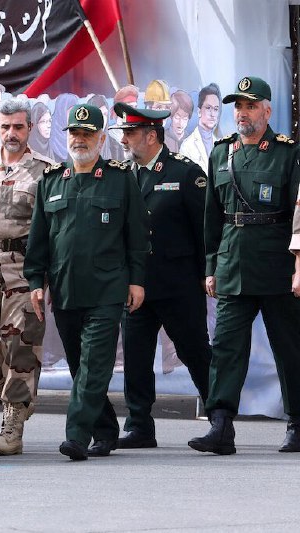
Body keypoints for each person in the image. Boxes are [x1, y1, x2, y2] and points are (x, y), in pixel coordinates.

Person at [23, 104, 149, 461]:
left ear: (101, 137)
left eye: (87, 133)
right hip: (65, 291)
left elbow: (137, 236)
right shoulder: (51, 181)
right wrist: (36, 281)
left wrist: (137, 281)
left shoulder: (120, 178)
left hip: (107, 290)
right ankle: (106, 429)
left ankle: (76, 435)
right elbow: (39, 241)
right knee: (81, 367)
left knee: (94, 364)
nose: (80, 139)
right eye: (75, 133)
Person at [190, 76, 300, 455]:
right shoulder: (222, 153)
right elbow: (212, 217)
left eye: (250, 106)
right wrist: (210, 265)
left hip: (276, 264)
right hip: (233, 263)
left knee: (289, 348)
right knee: (225, 348)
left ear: (267, 111)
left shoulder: (288, 153)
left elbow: (297, 216)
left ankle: (298, 423)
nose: (242, 113)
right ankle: (220, 425)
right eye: (238, 106)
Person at [112, 102, 211, 449]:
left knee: (195, 351)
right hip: (137, 285)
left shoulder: (185, 172)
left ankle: (220, 419)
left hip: (178, 283)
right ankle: (139, 426)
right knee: (136, 357)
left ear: (151, 136)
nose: (124, 140)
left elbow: (205, 230)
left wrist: (206, 272)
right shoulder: (124, 174)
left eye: (130, 133)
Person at [0, 99, 51, 455]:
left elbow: (52, 231)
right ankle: (16, 398)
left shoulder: (46, 172)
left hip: (24, 267)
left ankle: (12, 425)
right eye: (5, 127)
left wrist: (43, 279)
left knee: (21, 345)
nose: (11, 133)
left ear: (29, 128)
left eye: (18, 127)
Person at [180, 83, 221, 172]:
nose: (212, 114)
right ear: (199, 112)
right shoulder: (187, 146)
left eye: (216, 109)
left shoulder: (221, 145)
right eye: (208, 108)